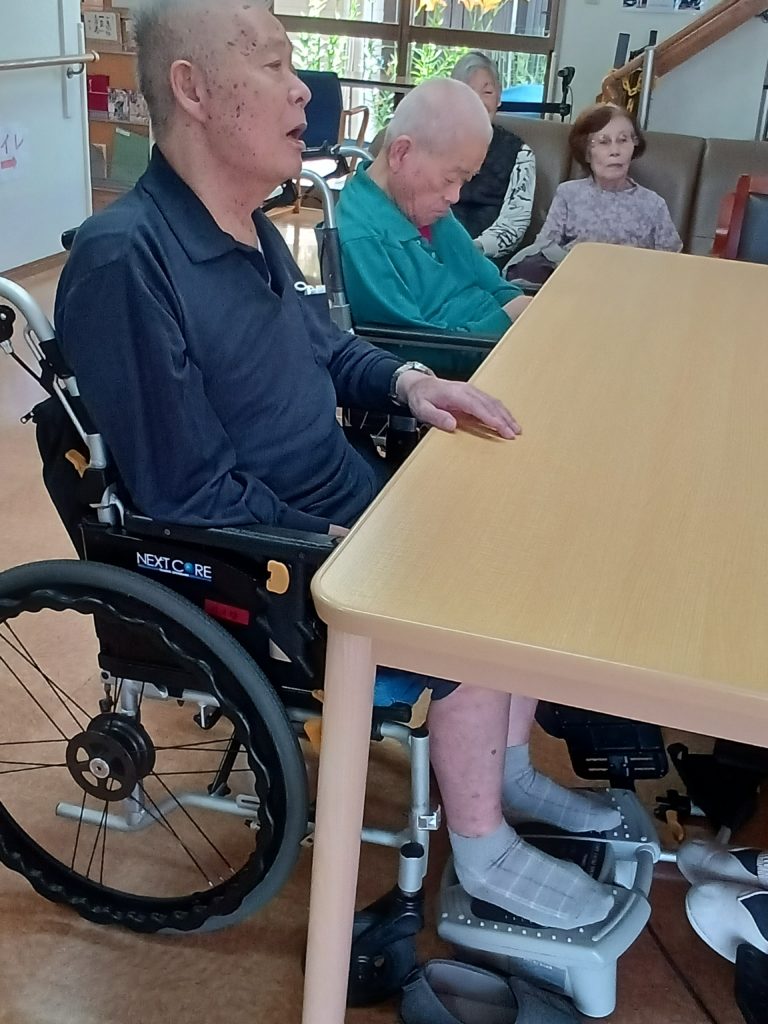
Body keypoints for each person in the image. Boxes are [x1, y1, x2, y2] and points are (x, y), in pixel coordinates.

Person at [55, 0, 618, 930]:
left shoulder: (248, 225)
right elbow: (188, 493)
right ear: (192, 89)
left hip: (345, 505)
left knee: (516, 522)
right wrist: (337, 542)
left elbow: (323, 345)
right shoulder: (128, 261)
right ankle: (483, 851)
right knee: (481, 588)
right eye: (274, 65)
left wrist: (410, 383)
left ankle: (504, 773)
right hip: (274, 561)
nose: (302, 91)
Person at [335, 79, 531, 339]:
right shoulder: (362, 237)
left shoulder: (426, 210)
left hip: (508, 342)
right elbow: (411, 348)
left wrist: (526, 312)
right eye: (450, 179)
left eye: (465, 180)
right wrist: (509, 319)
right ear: (401, 153)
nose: (455, 196)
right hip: (473, 357)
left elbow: (495, 285)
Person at [505, 103, 682, 287]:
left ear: (634, 146)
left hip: (630, 288)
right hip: (574, 283)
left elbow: (672, 262)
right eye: (604, 142)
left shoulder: (653, 204)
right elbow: (544, 247)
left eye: (623, 140)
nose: (615, 151)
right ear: (587, 153)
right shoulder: (569, 194)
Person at [450, 51, 536, 263]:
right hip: (432, 248)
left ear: (499, 97)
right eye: (469, 92)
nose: (479, 102)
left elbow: (514, 224)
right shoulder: (434, 144)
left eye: (487, 92)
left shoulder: (520, 153)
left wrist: (474, 249)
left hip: (484, 257)